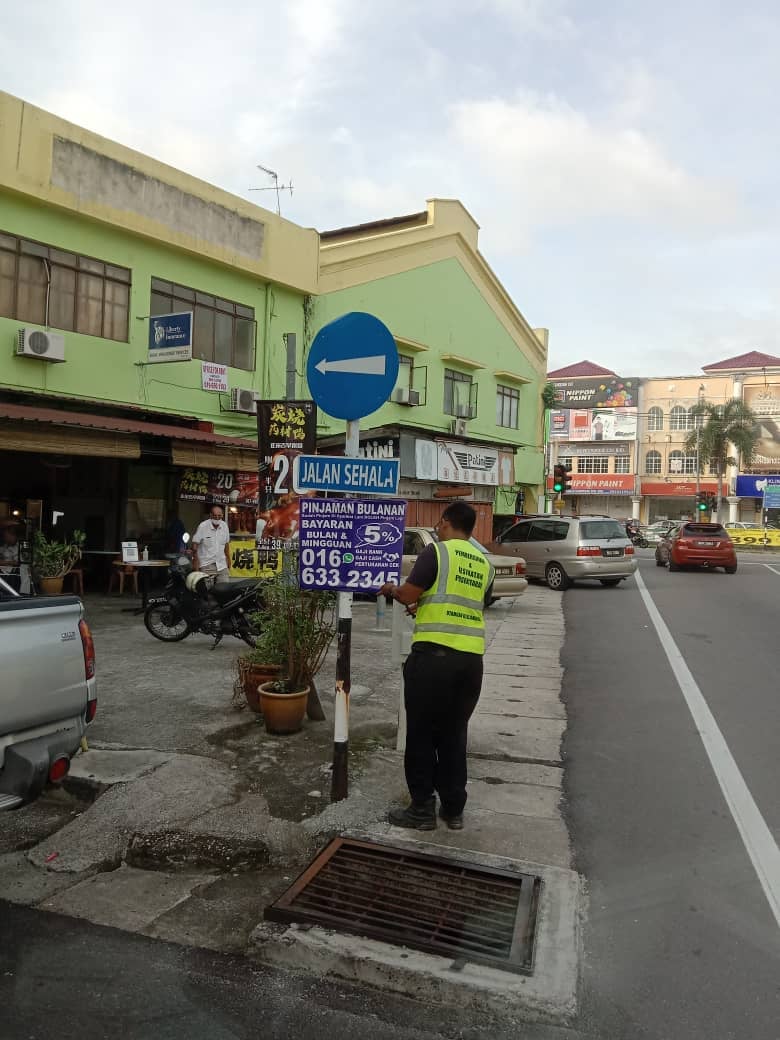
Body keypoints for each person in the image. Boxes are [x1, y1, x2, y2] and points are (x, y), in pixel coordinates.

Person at [378, 501, 494, 831]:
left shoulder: (437, 553)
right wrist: (424, 607)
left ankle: (421, 810)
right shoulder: (484, 563)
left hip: (433, 661)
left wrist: (392, 590)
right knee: (454, 734)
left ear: (445, 523)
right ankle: (453, 809)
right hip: (471, 662)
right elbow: (466, 606)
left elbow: (408, 592)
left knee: (421, 735)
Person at [191, 506, 231, 582]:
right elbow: (195, 544)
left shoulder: (224, 526)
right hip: (206, 565)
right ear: (210, 515)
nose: (217, 518)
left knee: (224, 589)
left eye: (219, 516)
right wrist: (196, 565)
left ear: (222, 515)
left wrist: (228, 560)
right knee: (207, 590)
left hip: (221, 564)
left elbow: (226, 544)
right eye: (215, 516)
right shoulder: (203, 526)